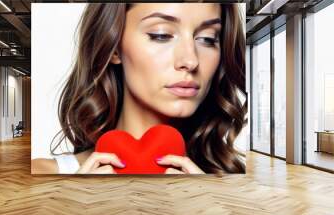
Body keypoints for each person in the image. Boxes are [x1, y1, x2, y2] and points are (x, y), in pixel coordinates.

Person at [32, 3, 246, 175]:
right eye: (161, 35)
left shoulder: (233, 181)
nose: (190, 61)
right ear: (114, 47)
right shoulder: (44, 174)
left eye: (208, 39)